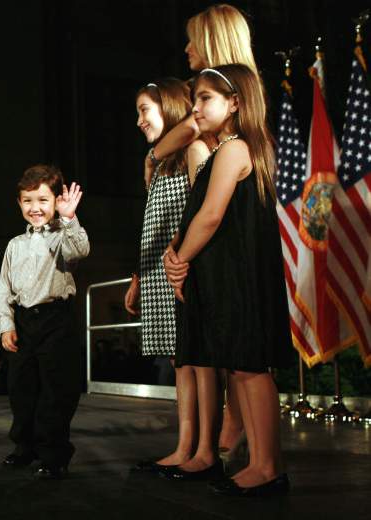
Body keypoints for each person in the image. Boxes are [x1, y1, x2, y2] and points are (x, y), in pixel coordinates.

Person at [164, 65, 294, 496]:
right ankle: (259, 464)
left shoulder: (237, 149)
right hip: (227, 279)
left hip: (241, 279)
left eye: (205, 98)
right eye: (195, 98)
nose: (195, 107)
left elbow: (212, 214)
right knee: (240, 368)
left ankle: (268, 466)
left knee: (251, 369)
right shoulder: (227, 150)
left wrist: (180, 260)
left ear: (235, 103)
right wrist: (178, 251)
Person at [145, 3, 261, 465]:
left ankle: (230, 436)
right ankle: (210, 438)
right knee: (210, 345)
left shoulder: (228, 120)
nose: (186, 48)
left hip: (227, 247)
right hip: (205, 247)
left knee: (235, 350)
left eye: (194, 39)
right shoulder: (207, 117)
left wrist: (180, 255)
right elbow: (164, 147)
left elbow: (172, 151)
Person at [125, 78, 210, 473]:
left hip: (185, 268)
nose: (139, 120)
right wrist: (139, 276)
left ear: (171, 107)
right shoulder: (159, 167)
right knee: (180, 362)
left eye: (145, 109)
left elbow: (194, 213)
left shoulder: (193, 153)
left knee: (199, 359)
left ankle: (205, 448)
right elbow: (153, 223)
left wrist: (177, 255)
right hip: (158, 273)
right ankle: (184, 446)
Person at [0, 164, 89, 480]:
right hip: (24, 322)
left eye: (42, 200)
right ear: (18, 203)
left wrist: (69, 218)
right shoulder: (14, 245)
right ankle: (26, 447)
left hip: (56, 320)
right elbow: (3, 290)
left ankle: (54, 454)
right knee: (21, 389)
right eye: (27, 200)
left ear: (56, 201)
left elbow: (81, 249)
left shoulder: (63, 237)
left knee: (55, 391)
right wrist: (6, 324)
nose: (35, 208)